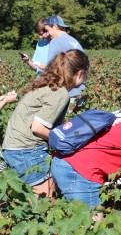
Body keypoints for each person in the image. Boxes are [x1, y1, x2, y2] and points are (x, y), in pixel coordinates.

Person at [2, 49, 90, 197]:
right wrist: (64, 141)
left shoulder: (47, 85)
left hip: (12, 147)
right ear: (80, 73)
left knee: (20, 200)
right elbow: (37, 128)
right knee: (44, 204)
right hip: (27, 151)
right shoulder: (60, 93)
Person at [44, 15, 85, 98]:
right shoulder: (74, 41)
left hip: (66, 92)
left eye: (48, 30)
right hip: (80, 89)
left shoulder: (56, 41)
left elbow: (51, 68)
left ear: (55, 27)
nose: (47, 34)